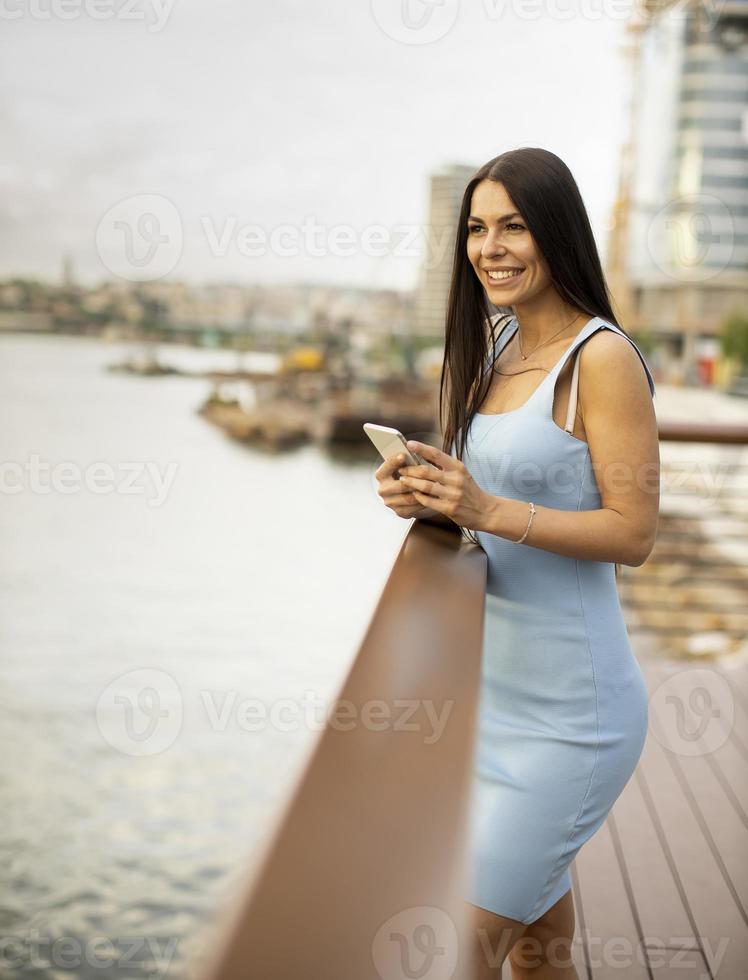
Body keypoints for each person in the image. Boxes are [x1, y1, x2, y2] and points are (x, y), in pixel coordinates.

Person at [375, 147, 660, 979]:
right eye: (476, 228)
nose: (490, 247)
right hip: (491, 704)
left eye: (513, 226)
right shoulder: (497, 346)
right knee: (541, 953)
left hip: (574, 720)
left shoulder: (601, 358)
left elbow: (633, 532)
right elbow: (488, 501)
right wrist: (429, 495)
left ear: (558, 234)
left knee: (456, 954)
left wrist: (486, 509)